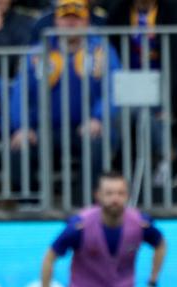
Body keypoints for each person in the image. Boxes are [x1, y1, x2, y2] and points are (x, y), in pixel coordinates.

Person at [10, 0, 120, 195]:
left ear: (86, 21)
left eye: (76, 19)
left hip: (87, 127)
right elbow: (20, 92)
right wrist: (22, 126)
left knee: (96, 143)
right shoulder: (37, 53)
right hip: (45, 129)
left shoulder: (102, 51)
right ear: (55, 21)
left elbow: (112, 88)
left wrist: (98, 117)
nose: (71, 24)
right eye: (65, 18)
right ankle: (30, 204)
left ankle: (84, 203)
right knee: (20, 147)